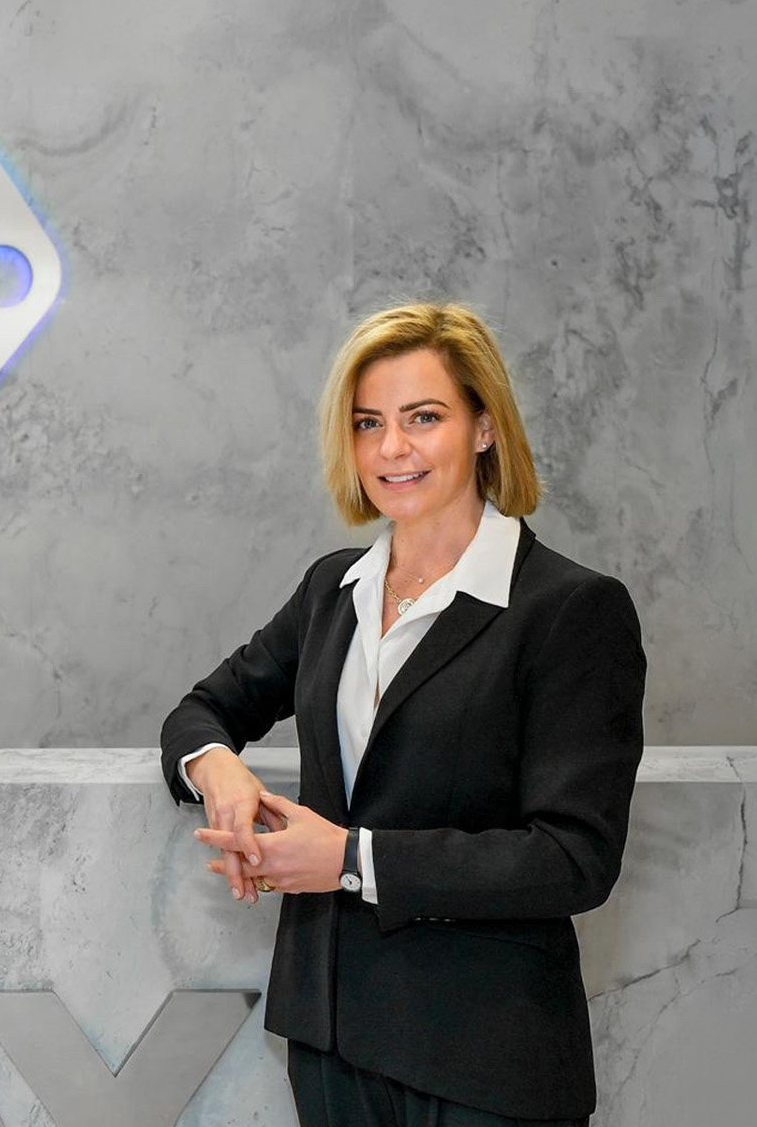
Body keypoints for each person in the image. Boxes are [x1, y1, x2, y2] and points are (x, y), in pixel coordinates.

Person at [161, 303, 644, 1126]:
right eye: (368, 423)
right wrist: (220, 773)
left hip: (485, 1057)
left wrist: (351, 859)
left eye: (423, 417)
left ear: (484, 428)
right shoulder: (332, 590)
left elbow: (574, 858)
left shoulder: (570, 610)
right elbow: (201, 711)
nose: (392, 448)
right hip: (330, 1039)